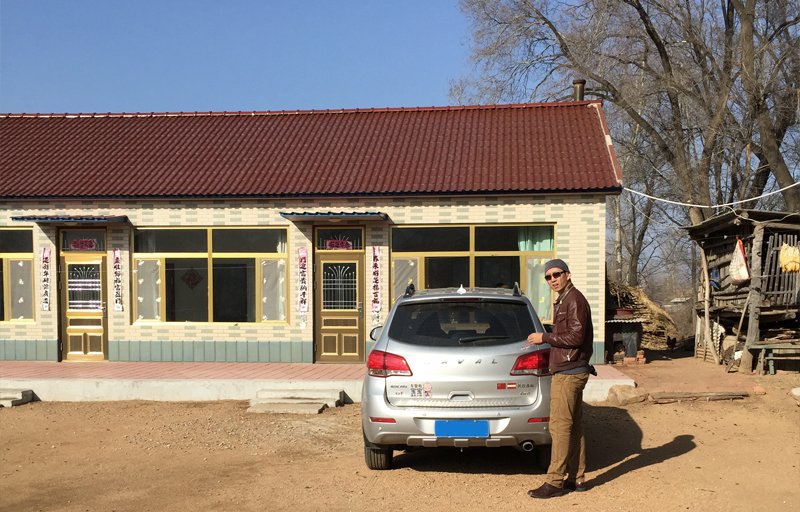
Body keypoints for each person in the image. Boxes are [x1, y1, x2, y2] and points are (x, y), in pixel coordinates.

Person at [525, 258, 594, 499]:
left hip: (569, 371)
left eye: (556, 274)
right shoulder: (566, 299)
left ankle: (554, 481)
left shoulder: (574, 299)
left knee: (560, 427)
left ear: (567, 274)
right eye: (548, 277)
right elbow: (571, 334)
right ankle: (577, 478)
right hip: (571, 368)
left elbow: (575, 336)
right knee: (573, 427)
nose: (552, 279)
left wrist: (544, 337)